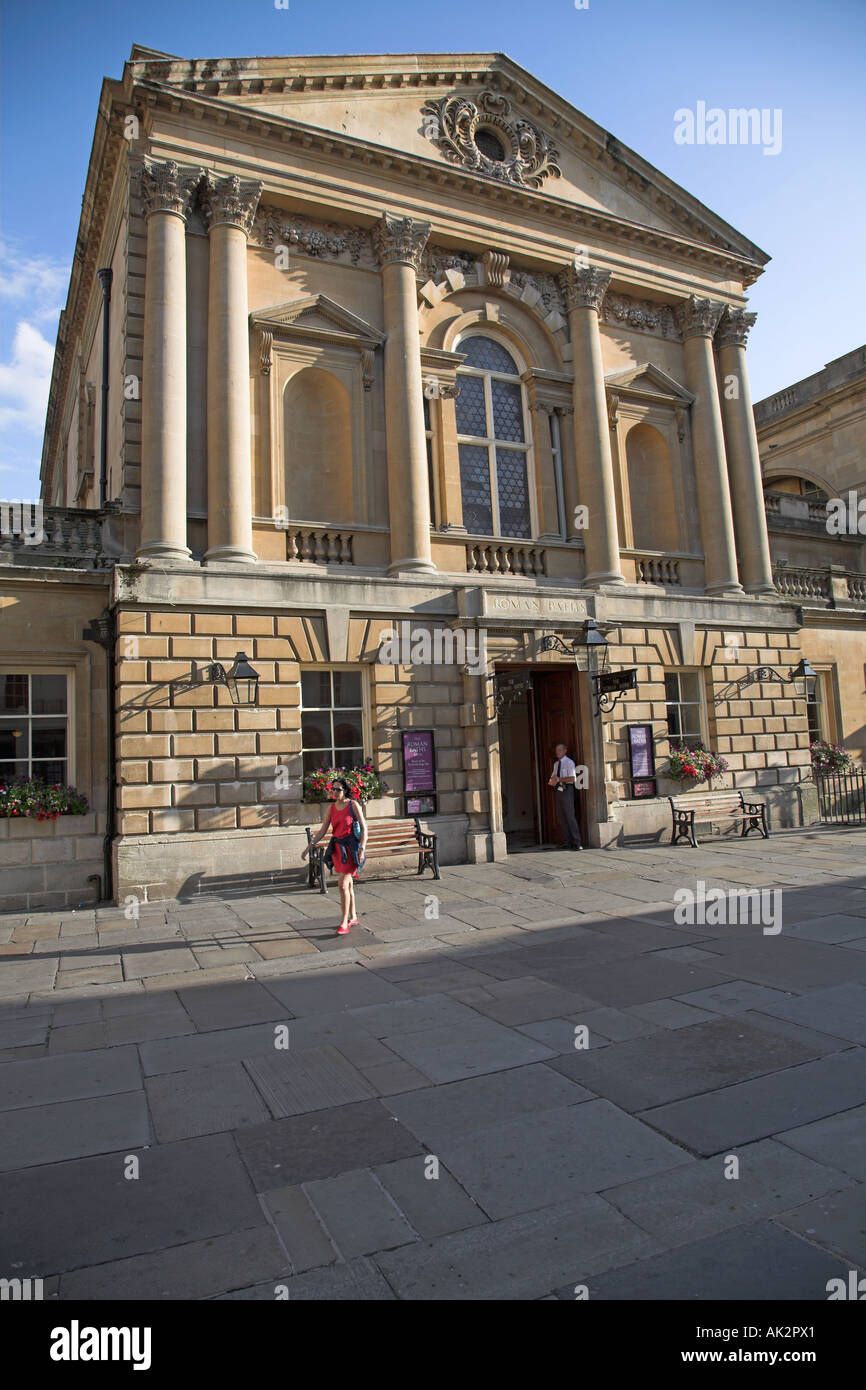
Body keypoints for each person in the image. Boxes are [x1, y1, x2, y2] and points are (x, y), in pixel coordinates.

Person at [302, 778, 368, 934]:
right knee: (348, 883)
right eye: (333, 789)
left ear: (345, 790)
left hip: (352, 850)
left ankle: (344, 922)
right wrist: (308, 847)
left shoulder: (353, 805)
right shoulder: (331, 808)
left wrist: (362, 849)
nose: (335, 792)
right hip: (338, 850)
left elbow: (364, 829)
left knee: (343, 884)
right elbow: (323, 830)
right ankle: (353, 916)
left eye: (338, 789)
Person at [548, 742, 583, 850]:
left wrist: (559, 779)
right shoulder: (556, 764)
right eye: (556, 750)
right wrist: (552, 781)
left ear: (565, 751)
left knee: (570, 816)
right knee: (561, 817)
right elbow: (553, 777)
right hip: (558, 790)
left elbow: (573, 779)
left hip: (567, 790)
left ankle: (577, 842)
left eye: (559, 750)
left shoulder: (569, 762)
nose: (557, 752)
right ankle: (566, 841)